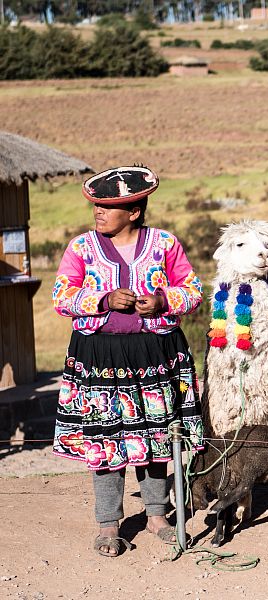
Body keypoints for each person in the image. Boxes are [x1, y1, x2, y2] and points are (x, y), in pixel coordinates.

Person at [51, 165, 204, 557]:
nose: (98, 212)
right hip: (99, 356)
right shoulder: (81, 248)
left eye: (107, 207)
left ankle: (157, 515)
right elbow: (61, 297)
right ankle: (108, 524)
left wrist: (163, 301)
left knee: (155, 437)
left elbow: (193, 290)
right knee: (105, 441)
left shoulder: (165, 244)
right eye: (96, 206)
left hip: (155, 354)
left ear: (134, 211)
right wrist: (101, 300)